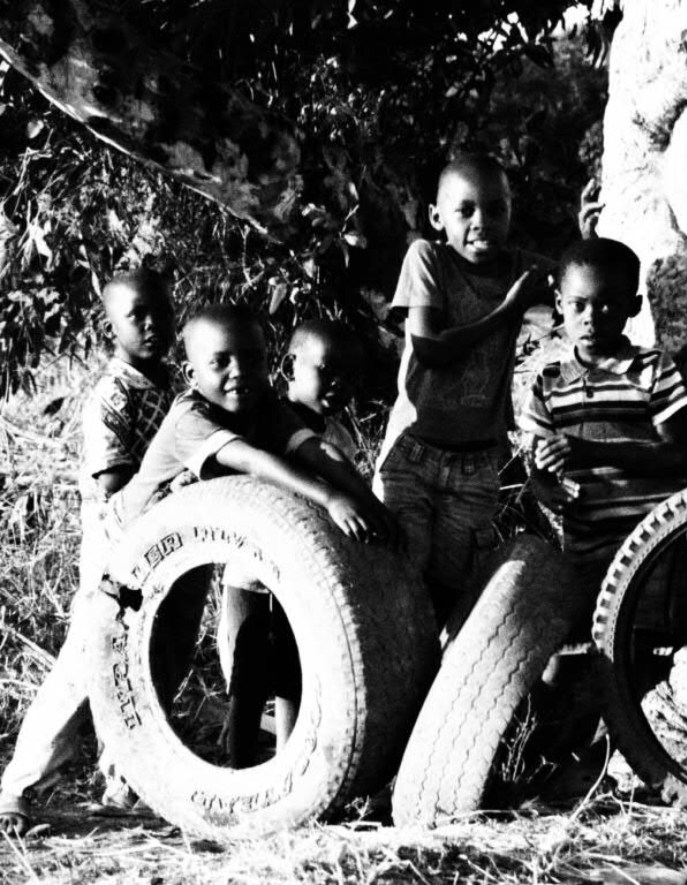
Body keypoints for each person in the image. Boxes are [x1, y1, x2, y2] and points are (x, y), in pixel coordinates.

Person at [112, 305, 393, 768]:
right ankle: (39, 781)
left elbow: (316, 450)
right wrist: (330, 498)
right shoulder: (190, 416)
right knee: (100, 666)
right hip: (125, 543)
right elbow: (253, 461)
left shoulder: (266, 407)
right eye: (220, 362)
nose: (239, 372)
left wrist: (369, 503)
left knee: (169, 658)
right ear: (192, 374)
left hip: (186, 552)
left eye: (251, 359)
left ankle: (141, 773)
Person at [0, 269, 177, 836]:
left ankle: (125, 783)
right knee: (85, 665)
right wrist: (179, 481)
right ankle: (20, 785)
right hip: (115, 553)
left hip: (160, 545)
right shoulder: (112, 394)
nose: (151, 324)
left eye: (160, 311)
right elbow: (113, 482)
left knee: (141, 665)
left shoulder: (174, 385)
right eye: (136, 316)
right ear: (110, 328)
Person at [521, 237, 687, 789]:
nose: (592, 318)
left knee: (636, 649)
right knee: (574, 655)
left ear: (633, 307)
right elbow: (537, 470)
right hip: (587, 544)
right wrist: (545, 488)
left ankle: (593, 760)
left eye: (608, 305)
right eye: (579, 305)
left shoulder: (652, 370)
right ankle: (555, 764)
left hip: (649, 543)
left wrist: (590, 449)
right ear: (559, 304)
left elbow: (679, 453)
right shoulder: (547, 383)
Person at [372, 153, 553, 626]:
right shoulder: (427, 257)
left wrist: (589, 233)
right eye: (466, 210)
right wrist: (507, 310)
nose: (482, 222)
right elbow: (430, 348)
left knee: (452, 591)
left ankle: (441, 674)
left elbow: (577, 279)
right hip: (412, 456)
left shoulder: (519, 267)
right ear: (437, 217)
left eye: (496, 209)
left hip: (477, 465)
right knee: (397, 581)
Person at [218, 318, 364, 767]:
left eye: (348, 375)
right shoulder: (264, 422)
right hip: (252, 570)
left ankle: (287, 760)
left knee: (295, 668)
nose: (338, 384)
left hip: (305, 578)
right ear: (288, 368)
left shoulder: (339, 438)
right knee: (246, 673)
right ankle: (238, 766)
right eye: (327, 370)